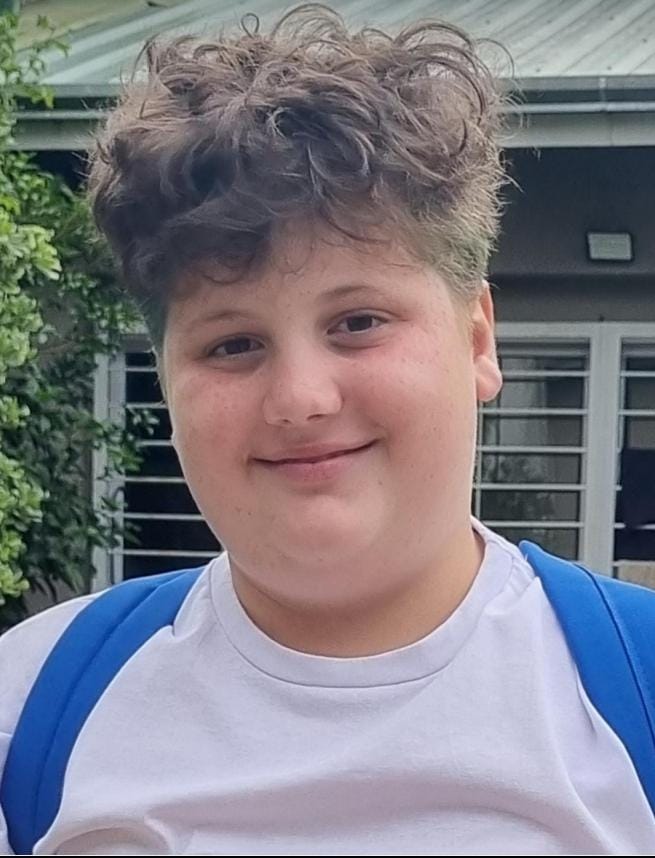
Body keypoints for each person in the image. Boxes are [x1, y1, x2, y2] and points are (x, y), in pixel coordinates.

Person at [1, 4, 654, 854]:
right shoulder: (33, 707)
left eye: (358, 322)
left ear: (476, 339)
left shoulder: (633, 692)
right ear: (165, 382)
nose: (300, 399)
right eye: (232, 343)